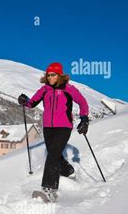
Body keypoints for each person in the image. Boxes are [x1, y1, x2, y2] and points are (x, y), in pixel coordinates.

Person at [18, 62, 89, 202]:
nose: (50, 77)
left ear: (59, 75)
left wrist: (84, 119)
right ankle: (68, 171)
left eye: (53, 75)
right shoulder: (44, 89)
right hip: (48, 127)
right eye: (48, 75)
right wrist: (24, 101)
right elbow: (32, 103)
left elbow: (83, 102)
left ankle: (49, 189)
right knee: (54, 154)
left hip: (64, 126)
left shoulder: (69, 89)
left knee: (52, 155)